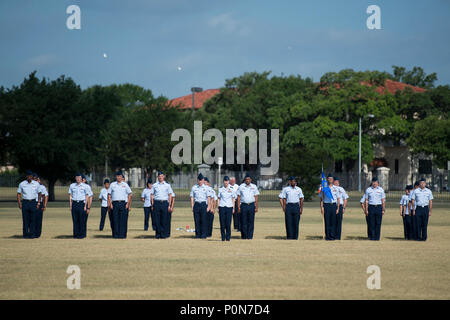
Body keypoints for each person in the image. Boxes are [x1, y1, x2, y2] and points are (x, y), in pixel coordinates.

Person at [108, 171, 132, 239]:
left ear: (122, 177)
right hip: (114, 204)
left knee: (123, 220)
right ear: (116, 177)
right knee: (115, 219)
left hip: (123, 203)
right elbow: (109, 195)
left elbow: (130, 194)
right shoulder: (112, 185)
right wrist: (110, 204)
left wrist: (128, 204)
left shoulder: (125, 185)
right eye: (117, 176)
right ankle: (116, 235)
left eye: (120, 176)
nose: (119, 177)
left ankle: (122, 235)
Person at [17, 170, 41, 238]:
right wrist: (19, 203)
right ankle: (25, 234)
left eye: (30, 176)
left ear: (32, 177)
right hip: (25, 202)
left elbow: (39, 193)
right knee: (25, 219)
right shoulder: (22, 184)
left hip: (33, 202)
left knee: (33, 219)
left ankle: (32, 234)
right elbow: (19, 194)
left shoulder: (36, 184)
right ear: (26, 176)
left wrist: (38, 202)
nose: (29, 177)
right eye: (28, 176)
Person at [236, 173, 259, 240]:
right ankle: (244, 236)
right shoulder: (241, 186)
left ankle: (250, 236)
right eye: (246, 179)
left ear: (251, 180)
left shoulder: (254, 186)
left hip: (251, 205)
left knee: (251, 222)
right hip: (243, 205)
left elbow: (256, 197)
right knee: (243, 221)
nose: (247, 180)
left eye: (248, 179)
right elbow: (238, 197)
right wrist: (238, 207)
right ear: (245, 180)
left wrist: (256, 206)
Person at [151, 171, 174, 239]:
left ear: (164, 177)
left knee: (164, 219)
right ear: (158, 177)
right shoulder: (155, 185)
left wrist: (169, 205)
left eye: (161, 176)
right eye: (159, 176)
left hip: (164, 203)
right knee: (157, 219)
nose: (160, 177)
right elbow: (152, 195)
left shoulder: (167, 185)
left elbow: (170, 195)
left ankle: (163, 234)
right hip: (157, 202)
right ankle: (158, 234)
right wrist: (152, 204)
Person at [68, 173, 90, 239]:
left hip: (81, 203)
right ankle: (76, 234)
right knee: (75, 220)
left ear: (81, 179)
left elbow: (87, 196)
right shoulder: (72, 186)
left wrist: (85, 206)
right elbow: (70, 196)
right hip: (74, 203)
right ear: (75, 178)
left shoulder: (85, 186)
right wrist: (70, 205)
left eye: (79, 178)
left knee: (81, 220)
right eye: (77, 178)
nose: (78, 179)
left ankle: (82, 235)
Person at [364, 176, 386, 241]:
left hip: (378, 207)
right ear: (372, 183)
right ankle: (372, 237)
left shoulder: (381, 190)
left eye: (376, 182)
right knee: (371, 223)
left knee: (378, 223)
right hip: (371, 207)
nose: (374, 184)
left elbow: (383, 200)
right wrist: (366, 209)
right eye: (373, 182)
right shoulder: (368, 190)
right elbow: (366, 200)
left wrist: (383, 209)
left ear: (378, 183)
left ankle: (377, 237)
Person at [190, 173, 210, 239]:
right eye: (199, 180)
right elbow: (192, 197)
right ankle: (197, 234)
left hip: (203, 204)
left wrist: (209, 206)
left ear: (203, 180)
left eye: (201, 180)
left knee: (203, 220)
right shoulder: (194, 187)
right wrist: (192, 206)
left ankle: (203, 235)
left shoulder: (206, 188)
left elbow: (208, 197)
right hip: (197, 204)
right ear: (197, 180)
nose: (200, 181)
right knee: (197, 220)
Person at [319, 174, 339, 241]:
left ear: (333, 180)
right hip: (326, 205)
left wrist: (338, 208)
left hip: (333, 205)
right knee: (327, 221)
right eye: (329, 178)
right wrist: (322, 207)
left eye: (331, 178)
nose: (330, 180)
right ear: (327, 179)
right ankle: (327, 236)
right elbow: (321, 198)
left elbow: (338, 199)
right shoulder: (324, 188)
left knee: (333, 221)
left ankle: (332, 236)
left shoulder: (336, 188)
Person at [218, 176, 236, 241]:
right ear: (223, 181)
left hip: (229, 207)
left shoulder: (231, 189)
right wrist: (218, 207)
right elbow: (219, 199)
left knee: (228, 223)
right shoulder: (220, 189)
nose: (226, 182)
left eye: (227, 181)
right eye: (225, 181)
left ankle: (228, 238)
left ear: (229, 181)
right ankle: (223, 238)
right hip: (222, 207)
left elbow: (233, 199)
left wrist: (233, 208)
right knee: (222, 223)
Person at [33, 174, 48, 238]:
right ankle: (31, 232)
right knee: (31, 219)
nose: (36, 181)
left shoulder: (42, 187)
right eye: (34, 179)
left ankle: (37, 233)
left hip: (39, 203)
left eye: (37, 179)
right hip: (32, 202)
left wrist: (44, 205)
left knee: (38, 219)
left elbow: (45, 196)